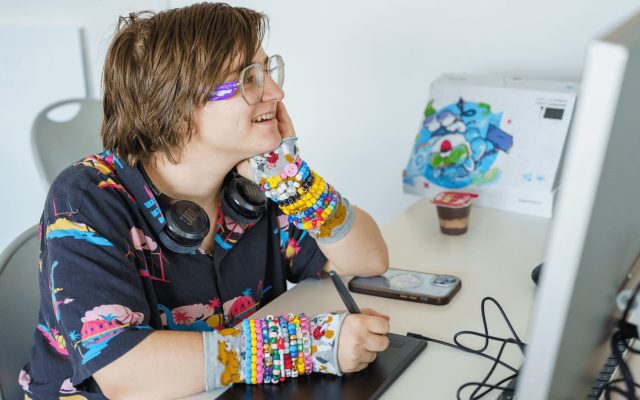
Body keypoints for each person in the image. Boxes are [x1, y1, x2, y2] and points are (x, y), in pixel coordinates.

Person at [19, 3, 391, 399]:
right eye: (249, 79)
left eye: (268, 71)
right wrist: (309, 345)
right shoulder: (85, 199)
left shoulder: (254, 182)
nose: (276, 93)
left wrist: (292, 180)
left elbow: (367, 259)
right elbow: (127, 373)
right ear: (176, 108)